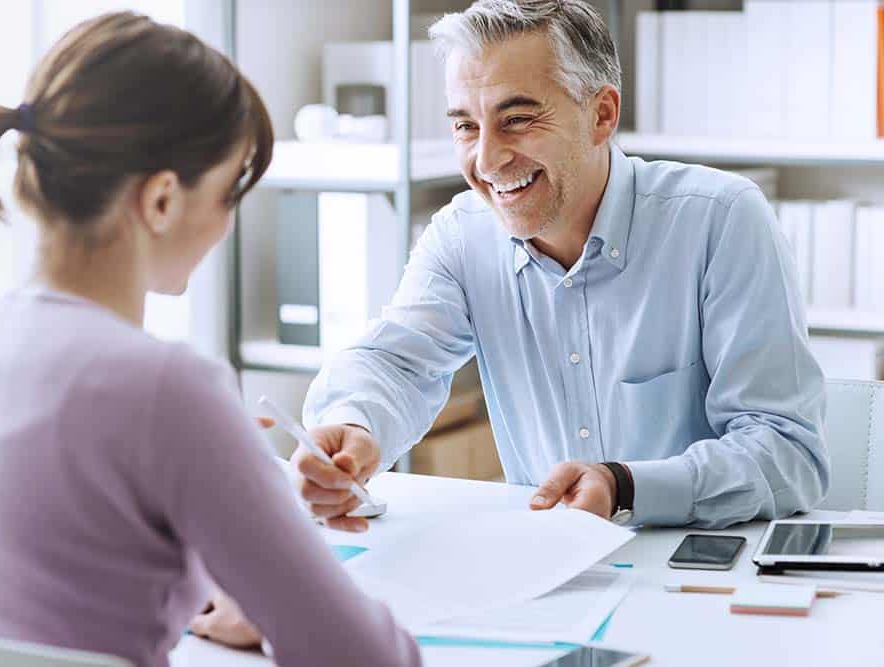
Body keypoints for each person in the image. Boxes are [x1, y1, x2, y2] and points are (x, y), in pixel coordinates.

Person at [0, 12, 420, 667]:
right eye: (228, 193)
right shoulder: (168, 390)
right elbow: (365, 657)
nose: (227, 224)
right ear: (162, 200)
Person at [295, 0, 829, 532]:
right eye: (465, 126)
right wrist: (353, 423)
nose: (485, 160)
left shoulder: (721, 220)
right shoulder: (463, 235)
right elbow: (395, 363)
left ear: (601, 115)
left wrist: (626, 486)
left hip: (694, 570)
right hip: (549, 569)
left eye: (518, 119)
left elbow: (787, 453)